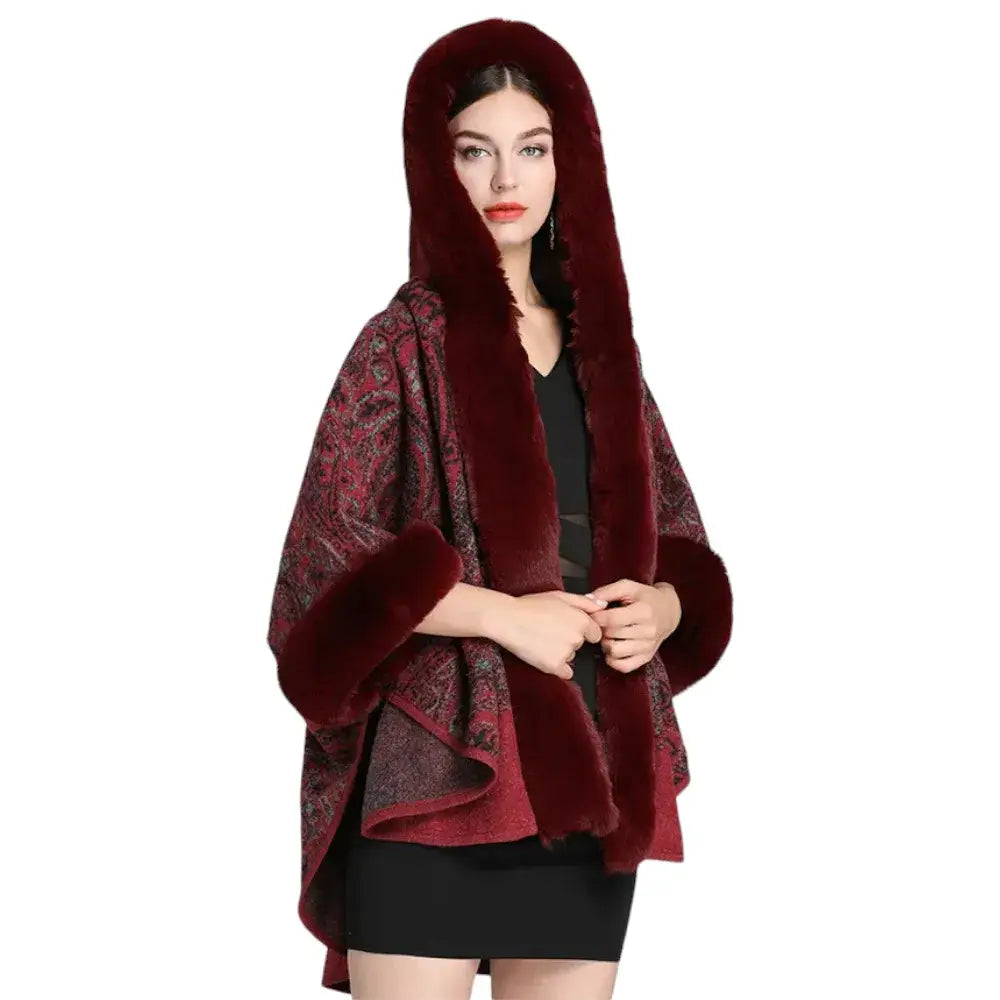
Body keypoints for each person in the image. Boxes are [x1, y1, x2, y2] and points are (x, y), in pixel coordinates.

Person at [266, 19, 733, 1000]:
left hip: (588, 777)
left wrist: (666, 607)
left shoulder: (607, 352)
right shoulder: (400, 344)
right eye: (474, 151)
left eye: (532, 148)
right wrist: (502, 616)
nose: (505, 177)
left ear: (569, 162)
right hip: (439, 775)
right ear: (437, 168)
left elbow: (679, 539)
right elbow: (325, 565)